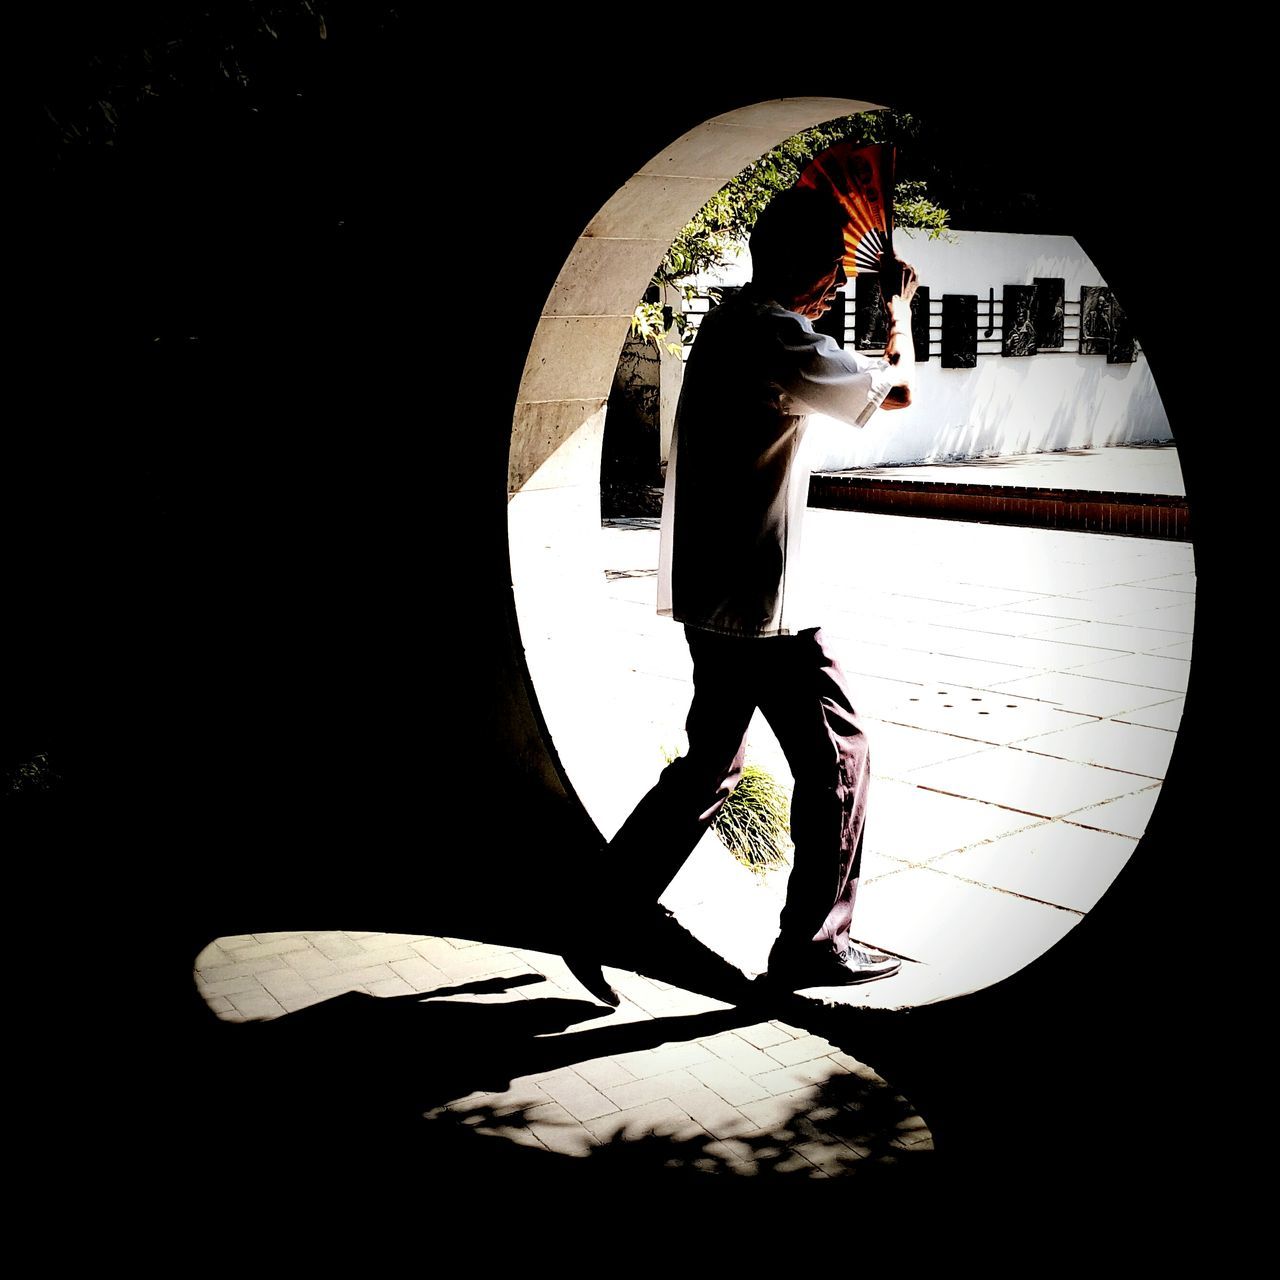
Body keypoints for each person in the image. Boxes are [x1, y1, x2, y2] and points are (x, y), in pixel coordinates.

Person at [570, 186, 918, 1003]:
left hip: (711, 597)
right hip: (766, 609)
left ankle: (599, 909)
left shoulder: (730, 324)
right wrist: (897, 311)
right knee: (841, 756)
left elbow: (839, 373)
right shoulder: (776, 337)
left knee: (710, 766)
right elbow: (892, 395)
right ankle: (814, 945)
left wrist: (862, 315)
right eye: (831, 272)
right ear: (795, 267)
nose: (836, 286)